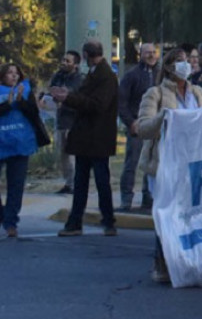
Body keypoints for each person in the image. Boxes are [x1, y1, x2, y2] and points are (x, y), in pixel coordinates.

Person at [135, 48, 202, 282]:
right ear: (168, 67)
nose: (185, 65)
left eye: (188, 61)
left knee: (192, 215)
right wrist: (163, 118)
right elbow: (143, 128)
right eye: (179, 61)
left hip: (193, 163)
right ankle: (162, 263)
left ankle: (189, 262)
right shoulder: (155, 93)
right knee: (167, 214)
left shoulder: (198, 93)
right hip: (164, 163)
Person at [53, 40, 119, 237]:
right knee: (83, 182)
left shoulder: (105, 76)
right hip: (87, 138)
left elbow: (97, 105)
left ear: (86, 56)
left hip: (96, 137)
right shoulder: (96, 74)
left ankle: (107, 221)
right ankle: (77, 221)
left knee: (100, 181)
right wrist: (69, 96)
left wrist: (69, 98)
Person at [1, 64, 43, 238]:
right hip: (2, 143)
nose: (13, 76)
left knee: (16, 186)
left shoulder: (25, 91)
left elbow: (34, 113)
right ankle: (4, 215)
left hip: (20, 145)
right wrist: (7, 105)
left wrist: (21, 101)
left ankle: (11, 223)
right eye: (10, 73)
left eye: (16, 73)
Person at [117, 42, 158, 212]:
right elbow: (121, 102)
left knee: (152, 163)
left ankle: (148, 198)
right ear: (140, 54)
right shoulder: (132, 75)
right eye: (147, 52)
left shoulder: (160, 74)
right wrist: (130, 122)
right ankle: (126, 199)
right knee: (131, 163)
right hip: (137, 126)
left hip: (156, 127)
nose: (151, 55)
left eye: (153, 52)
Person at [44, 50, 83, 194]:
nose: (64, 63)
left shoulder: (78, 79)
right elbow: (51, 91)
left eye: (68, 61)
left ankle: (75, 183)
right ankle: (68, 182)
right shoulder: (58, 76)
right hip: (60, 119)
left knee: (72, 154)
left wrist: (63, 96)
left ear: (75, 64)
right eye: (63, 60)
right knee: (63, 154)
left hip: (73, 121)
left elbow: (75, 96)